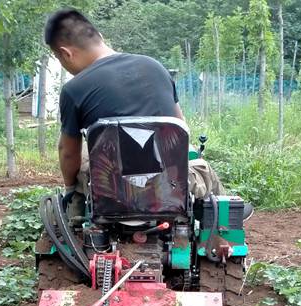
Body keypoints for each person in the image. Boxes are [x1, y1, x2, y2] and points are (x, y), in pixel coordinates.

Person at [42, 8, 223, 216]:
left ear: (66, 53)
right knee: (204, 169)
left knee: (83, 155)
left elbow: (68, 152)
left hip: (110, 191)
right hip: (169, 187)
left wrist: (70, 188)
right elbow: (180, 129)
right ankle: (223, 226)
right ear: (100, 37)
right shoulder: (155, 67)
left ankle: (74, 223)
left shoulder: (74, 89)